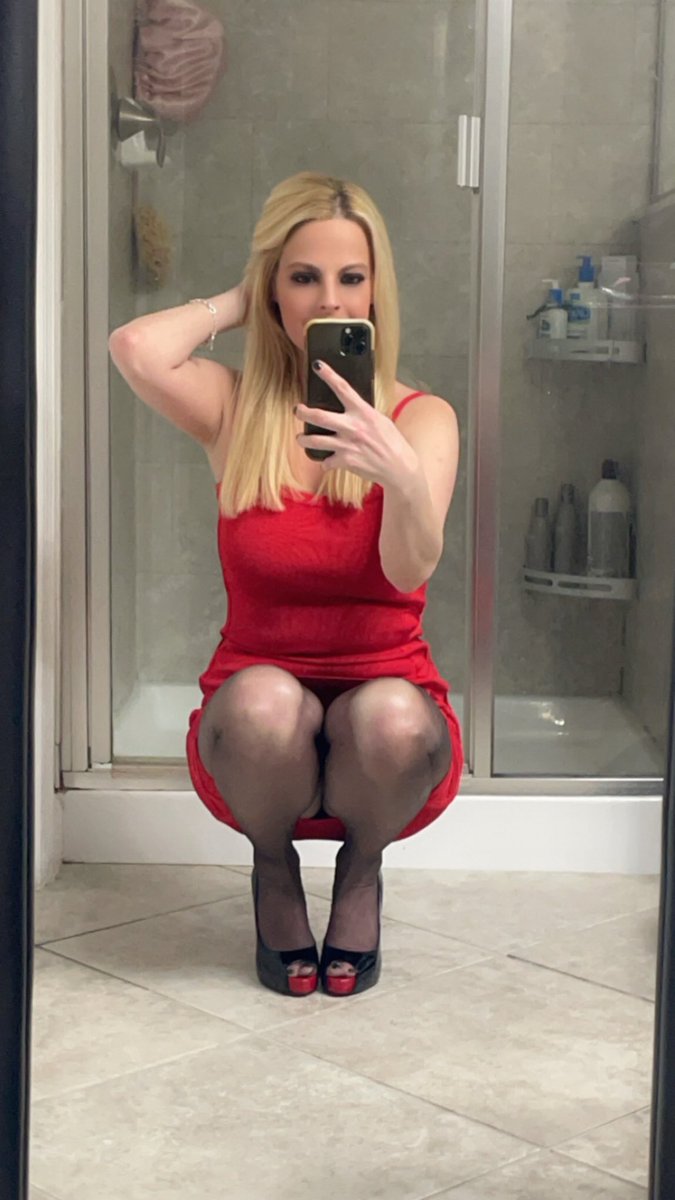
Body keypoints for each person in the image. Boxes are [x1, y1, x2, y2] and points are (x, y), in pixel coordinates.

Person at [109, 170, 463, 1000]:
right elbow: (134, 347)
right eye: (304, 276)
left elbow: (409, 569)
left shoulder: (421, 418)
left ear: (376, 291)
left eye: (351, 277)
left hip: (388, 713)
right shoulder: (234, 409)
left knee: (389, 716)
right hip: (255, 721)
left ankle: (361, 870)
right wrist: (245, 296)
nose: (330, 299)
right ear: (275, 286)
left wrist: (399, 477)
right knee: (264, 703)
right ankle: (273, 869)